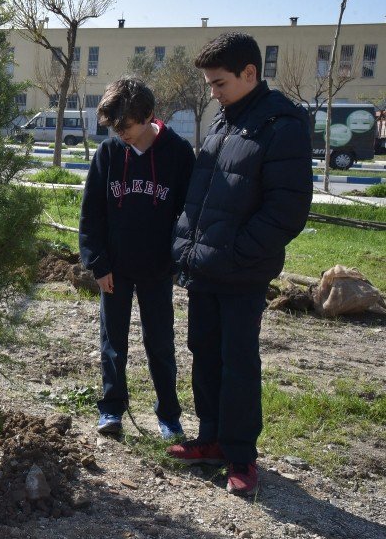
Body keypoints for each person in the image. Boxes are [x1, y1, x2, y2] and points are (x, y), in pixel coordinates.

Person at [169, 32, 312, 495]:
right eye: (210, 84)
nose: (212, 92)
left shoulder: (282, 125)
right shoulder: (226, 119)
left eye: (219, 83)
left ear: (250, 73)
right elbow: (206, 190)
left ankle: (241, 456)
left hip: (242, 272)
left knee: (238, 363)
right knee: (204, 354)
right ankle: (210, 439)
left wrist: (235, 253)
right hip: (206, 267)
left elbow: (286, 210)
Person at [79, 77, 195, 439]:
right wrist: (97, 263)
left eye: (125, 126)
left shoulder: (178, 154)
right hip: (114, 270)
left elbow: (189, 215)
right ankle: (112, 409)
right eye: (113, 127)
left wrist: (179, 262)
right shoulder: (109, 154)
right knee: (113, 342)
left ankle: (169, 416)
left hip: (157, 269)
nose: (119, 133)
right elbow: (91, 213)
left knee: (160, 343)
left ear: (147, 116)